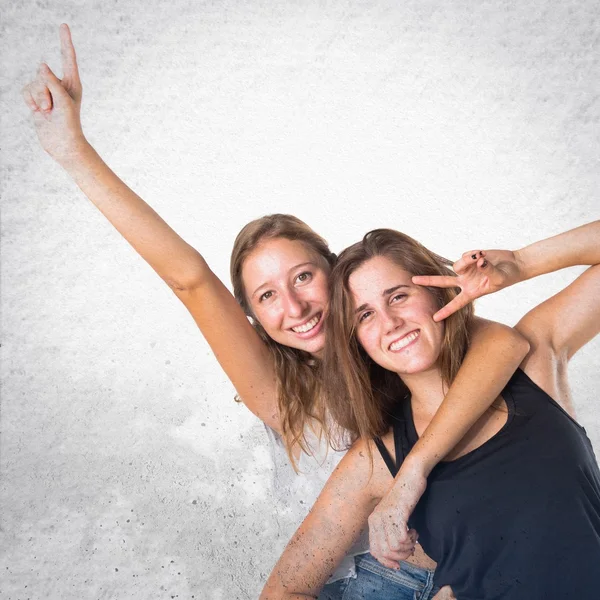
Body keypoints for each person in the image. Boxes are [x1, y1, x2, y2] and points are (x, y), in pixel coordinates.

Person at [22, 25, 531, 599]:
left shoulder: (397, 338)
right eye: (267, 296)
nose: (294, 308)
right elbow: (189, 279)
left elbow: (503, 342)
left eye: (304, 277)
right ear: (254, 316)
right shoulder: (281, 395)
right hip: (368, 582)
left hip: (477, 559)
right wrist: (74, 152)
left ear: (337, 270)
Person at [260, 221, 600, 599]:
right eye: (365, 315)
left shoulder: (533, 359)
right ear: (356, 341)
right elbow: (284, 591)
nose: (390, 323)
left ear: (437, 292)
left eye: (399, 296)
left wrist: (521, 262)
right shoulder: (377, 457)